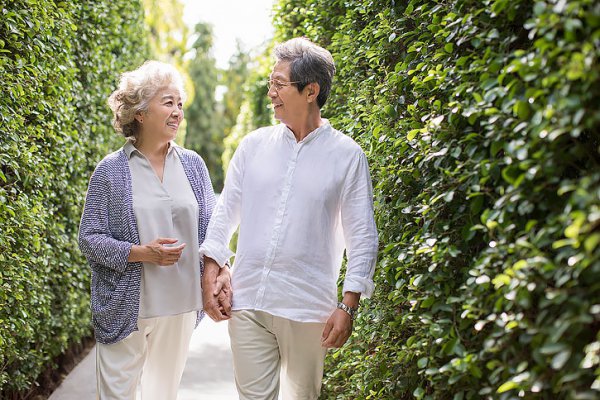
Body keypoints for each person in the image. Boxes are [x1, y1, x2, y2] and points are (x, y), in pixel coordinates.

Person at [200, 37, 379, 400]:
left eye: (279, 85)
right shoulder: (253, 146)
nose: (271, 94)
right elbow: (225, 212)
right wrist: (210, 271)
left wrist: (348, 305)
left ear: (310, 90)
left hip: (306, 308)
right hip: (248, 301)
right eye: (270, 84)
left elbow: (362, 236)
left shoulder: (347, 156)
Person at [78, 60, 230, 400]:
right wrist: (143, 253)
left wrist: (222, 271)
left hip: (178, 306)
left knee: (163, 395)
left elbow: (212, 230)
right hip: (125, 307)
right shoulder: (110, 171)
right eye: (168, 102)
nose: (177, 112)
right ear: (141, 113)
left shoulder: (193, 165)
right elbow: (89, 239)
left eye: (180, 104)